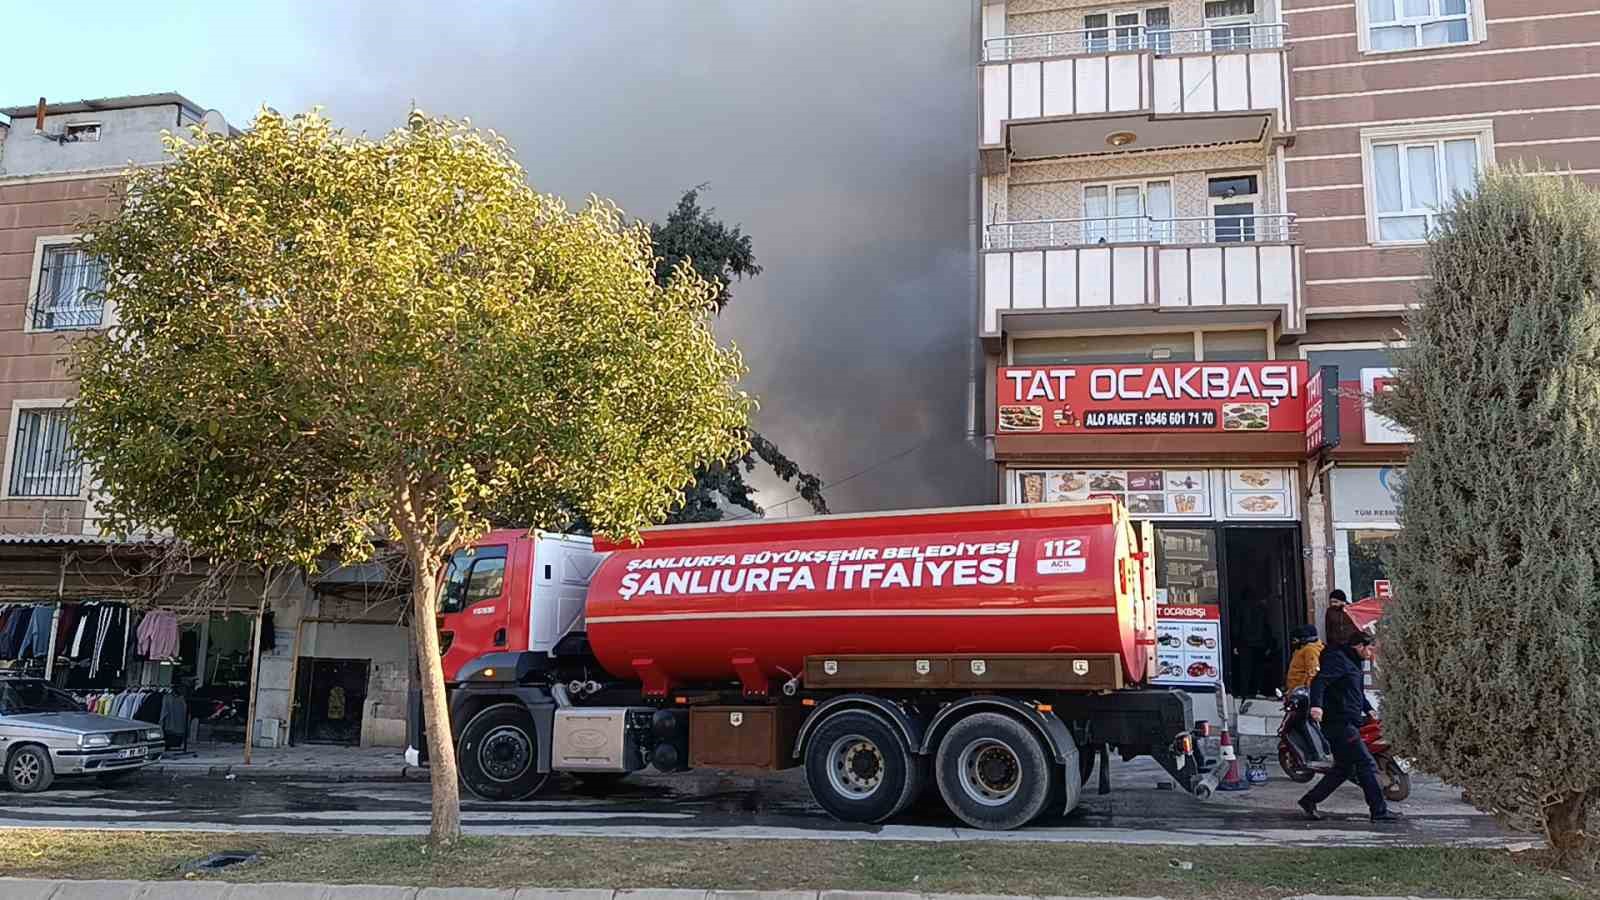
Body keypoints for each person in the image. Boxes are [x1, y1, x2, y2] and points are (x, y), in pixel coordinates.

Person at [1298, 630, 1400, 823]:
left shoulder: (1354, 662)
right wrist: (1316, 706)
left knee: (1343, 769)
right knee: (1367, 764)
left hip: (1348, 720)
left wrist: (1369, 710)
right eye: (1370, 649)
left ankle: (1309, 801)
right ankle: (1379, 812)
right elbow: (1320, 681)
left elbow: (1356, 692)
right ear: (1359, 646)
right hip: (1339, 722)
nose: (1371, 654)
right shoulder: (1338, 659)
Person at [1284, 624, 1323, 694]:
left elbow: (1312, 672)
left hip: (1301, 691)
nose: (1294, 642)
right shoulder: (1301, 649)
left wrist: (1307, 690)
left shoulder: (1310, 650)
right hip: (1295, 689)